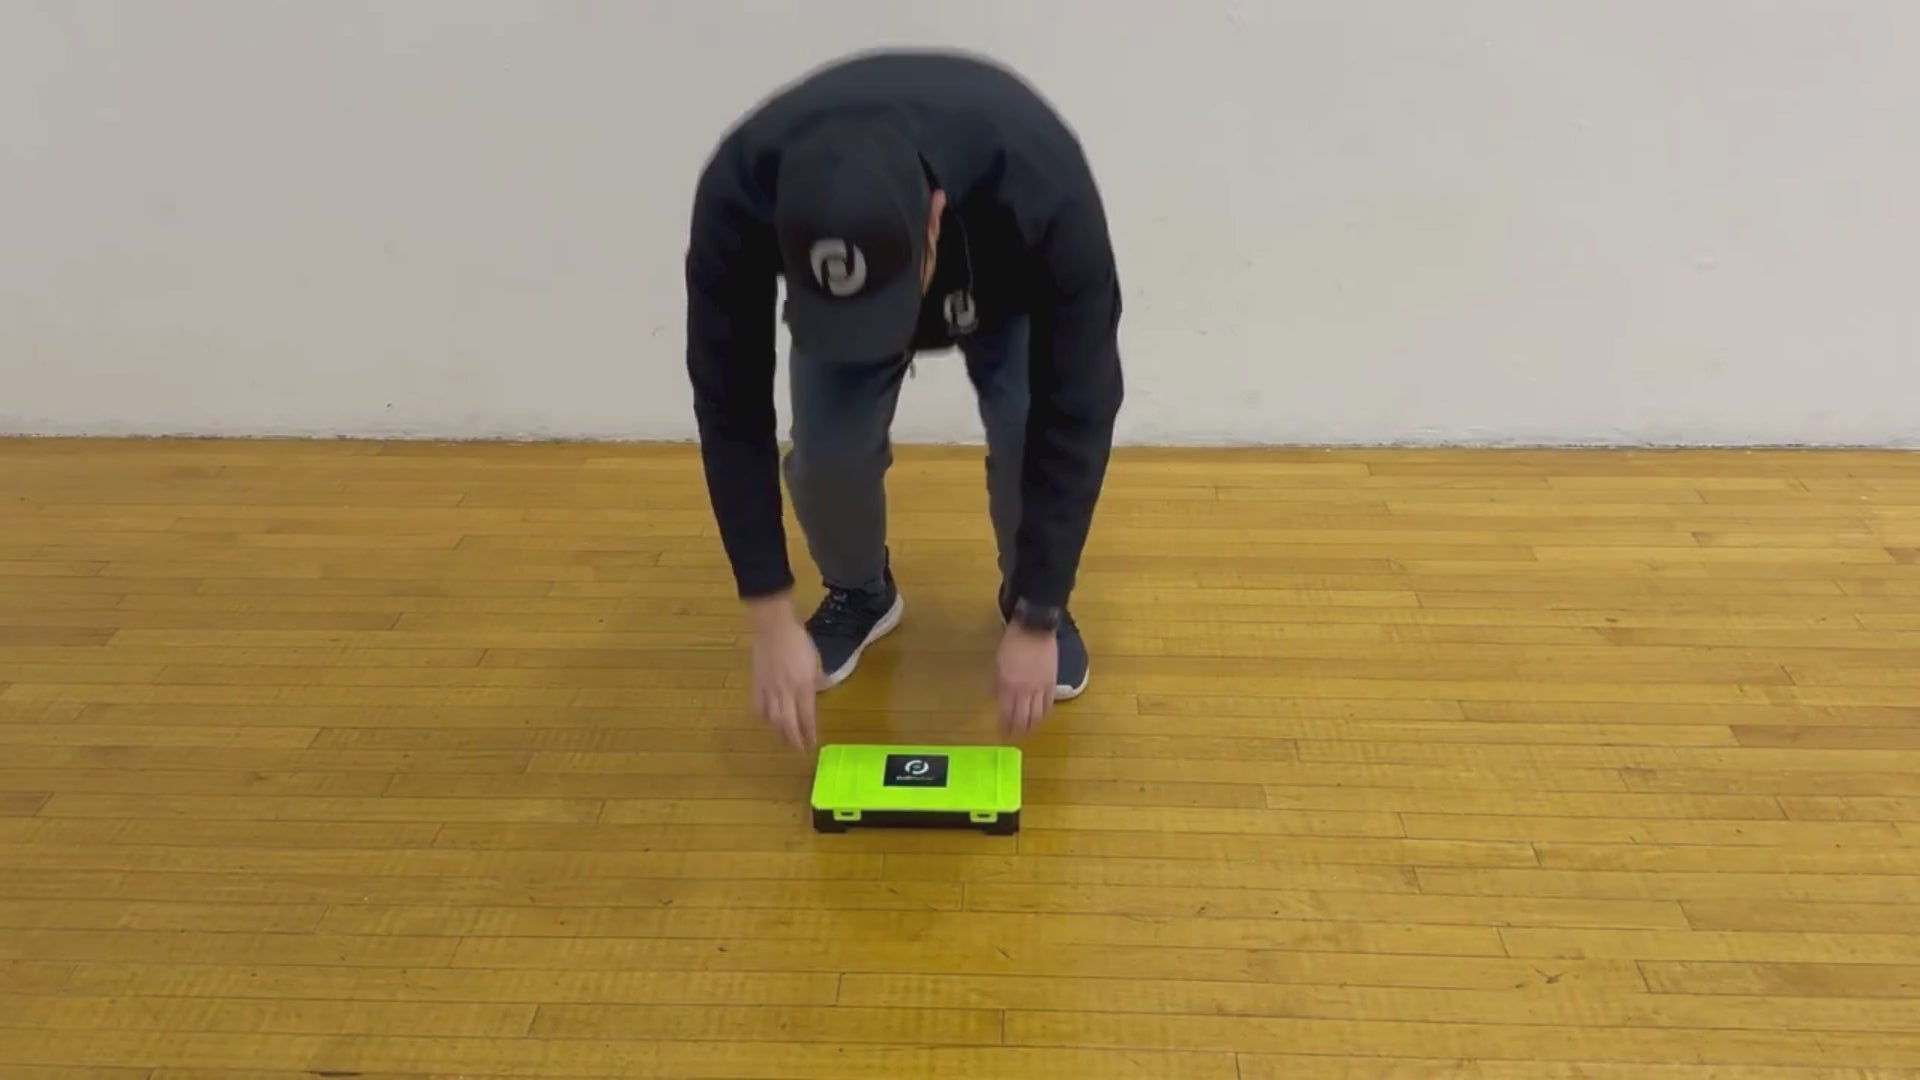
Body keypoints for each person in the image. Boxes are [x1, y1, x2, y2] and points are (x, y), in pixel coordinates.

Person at [682, 48, 1124, 751]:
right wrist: (768, 616)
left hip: (1005, 274)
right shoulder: (740, 189)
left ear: (934, 221)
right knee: (825, 453)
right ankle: (860, 592)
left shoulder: (1041, 178)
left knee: (1027, 434)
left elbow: (1081, 408)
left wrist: (1039, 614)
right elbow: (729, 408)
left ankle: (1024, 596)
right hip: (863, 278)